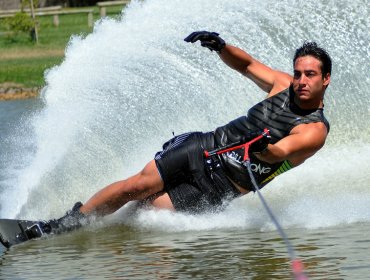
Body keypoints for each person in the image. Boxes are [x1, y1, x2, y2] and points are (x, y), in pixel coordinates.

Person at [50, 31, 332, 232]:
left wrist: (260, 146)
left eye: (310, 75)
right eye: (298, 73)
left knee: (146, 214)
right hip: (204, 148)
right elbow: (246, 65)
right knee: (137, 186)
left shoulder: (314, 130)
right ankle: (67, 223)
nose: (301, 80)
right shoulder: (282, 85)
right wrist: (221, 47)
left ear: (326, 79)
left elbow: (278, 154)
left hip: (223, 185)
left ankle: (102, 233)